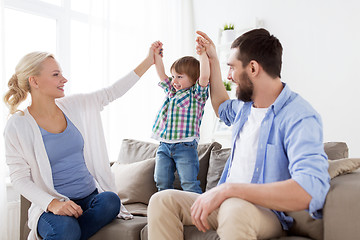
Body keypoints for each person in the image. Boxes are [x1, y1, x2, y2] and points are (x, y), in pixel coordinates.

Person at [147, 29, 330, 240]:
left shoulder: (299, 116)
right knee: (162, 201)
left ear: (253, 67)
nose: (229, 76)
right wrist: (213, 59)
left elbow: (310, 189)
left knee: (235, 208)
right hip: (225, 204)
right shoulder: (245, 107)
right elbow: (221, 106)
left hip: (263, 213)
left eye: (232, 67)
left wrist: (230, 190)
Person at [3, 48, 154, 240]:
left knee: (110, 201)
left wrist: (149, 61)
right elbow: (19, 179)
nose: (64, 79)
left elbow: (112, 92)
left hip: (89, 198)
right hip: (51, 205)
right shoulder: (18, 125)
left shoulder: (72, 106)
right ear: (34, 81)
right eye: (56, 74)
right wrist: (53, 204)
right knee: (66, 229)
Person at [151, 40, 210, 194]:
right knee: (161, 181)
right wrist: (158, 57)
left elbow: (204, 76)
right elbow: (162, 75)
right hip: (164, 145)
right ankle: (166, 211)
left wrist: (202, 54)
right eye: (173, 76)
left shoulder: (197, 95)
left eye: (179, 77)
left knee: (189, 183)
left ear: (193, 79)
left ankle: (197, 215)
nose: (174, 81)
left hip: (185, 146)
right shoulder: (172, 91)